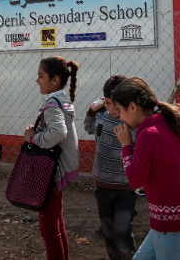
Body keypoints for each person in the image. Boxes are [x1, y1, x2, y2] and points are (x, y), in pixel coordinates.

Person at [112, 77, 180, 259]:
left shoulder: (148, 136)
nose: (120, 117)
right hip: (179, 217)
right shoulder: (169, 124)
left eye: (120, 111)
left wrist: (126, 147)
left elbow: (135, 180)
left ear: (133, 107)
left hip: (171, 224)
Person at [23, 56, 80, 260]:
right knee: (57, 223)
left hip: (51, 173)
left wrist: (34, 138)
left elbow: (57, 133)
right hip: (60, 169)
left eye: (41, 76)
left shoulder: (52, 104)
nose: (37, 80)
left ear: (54, 80)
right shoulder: (61, 100)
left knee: (48, 230)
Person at [84, 74, 137, 260]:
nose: (112, 108)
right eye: (107, 103)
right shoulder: (102, 118)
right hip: (102, 187)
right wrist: (92, 110)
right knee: (108, 234)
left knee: (122, 232)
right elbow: (88, 126)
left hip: (125, 188)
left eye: (116, 104)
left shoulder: (132, 125)